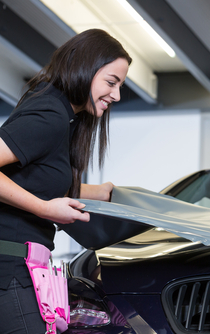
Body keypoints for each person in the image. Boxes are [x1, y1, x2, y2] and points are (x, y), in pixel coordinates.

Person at [0, 29, 131, 333]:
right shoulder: (50, 115)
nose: (117, 95)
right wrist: (44, 208)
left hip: (20, 269)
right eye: (111, 82)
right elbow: (40, 196)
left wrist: (95, 193)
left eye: (120, 85)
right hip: (9, 270)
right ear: (84, 68)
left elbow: (33, 178)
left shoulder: (64, 116)